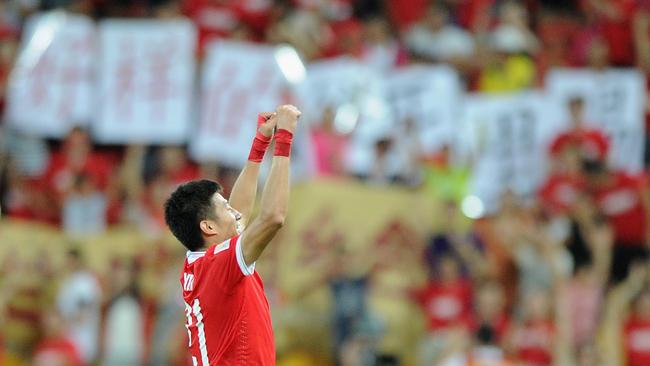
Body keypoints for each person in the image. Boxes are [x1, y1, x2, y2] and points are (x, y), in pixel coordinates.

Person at [164, 105, 301, 365]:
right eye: (225, 208)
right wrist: (284, 138)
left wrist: (260, 143)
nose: (236, 214)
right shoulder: (217, 263)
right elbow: (272, 218)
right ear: (208, 227)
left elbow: (240, 211)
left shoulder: (201, 262)